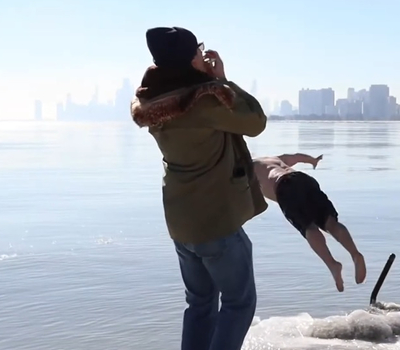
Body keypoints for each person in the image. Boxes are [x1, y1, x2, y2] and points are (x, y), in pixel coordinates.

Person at [129, 26, 268, 350]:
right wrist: (220, 80)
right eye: (198, 51)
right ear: (189, 60)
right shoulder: (204, 103)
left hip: (181, 223)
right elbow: (256, 121)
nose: (203, 55)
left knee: (200, 305)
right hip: (215, 222)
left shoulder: (153, 103)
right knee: (239, 303)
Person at [252, 153, 366, 292]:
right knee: (330, 222)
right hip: (304, 179)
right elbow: (297, 157)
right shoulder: (273, 159)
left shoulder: (248, 169)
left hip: (284, 186)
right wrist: (313, 161)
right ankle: (355, 254)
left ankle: (332, 265)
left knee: (309, 229)